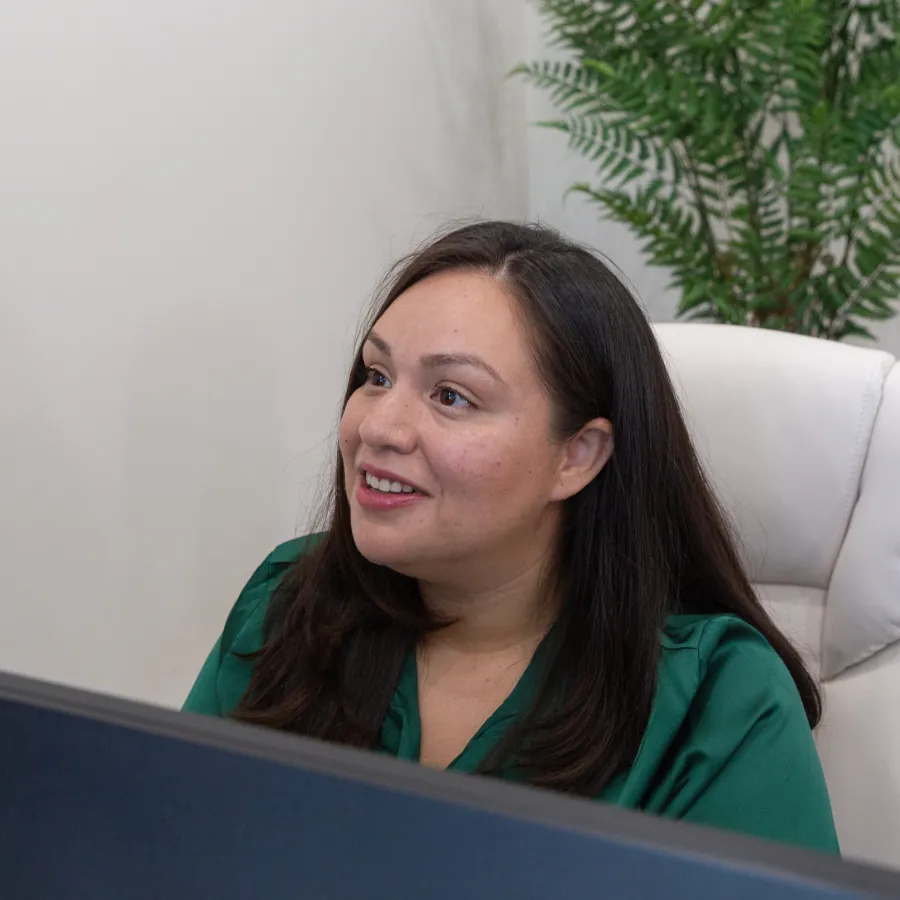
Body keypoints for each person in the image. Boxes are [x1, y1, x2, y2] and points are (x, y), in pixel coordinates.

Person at [183, 221, 839, 853]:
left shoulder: (718, 699)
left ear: (577, 455)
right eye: (376, 377)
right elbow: (164, 851)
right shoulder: (288, 604)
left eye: (451, 396)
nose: (378, 427)